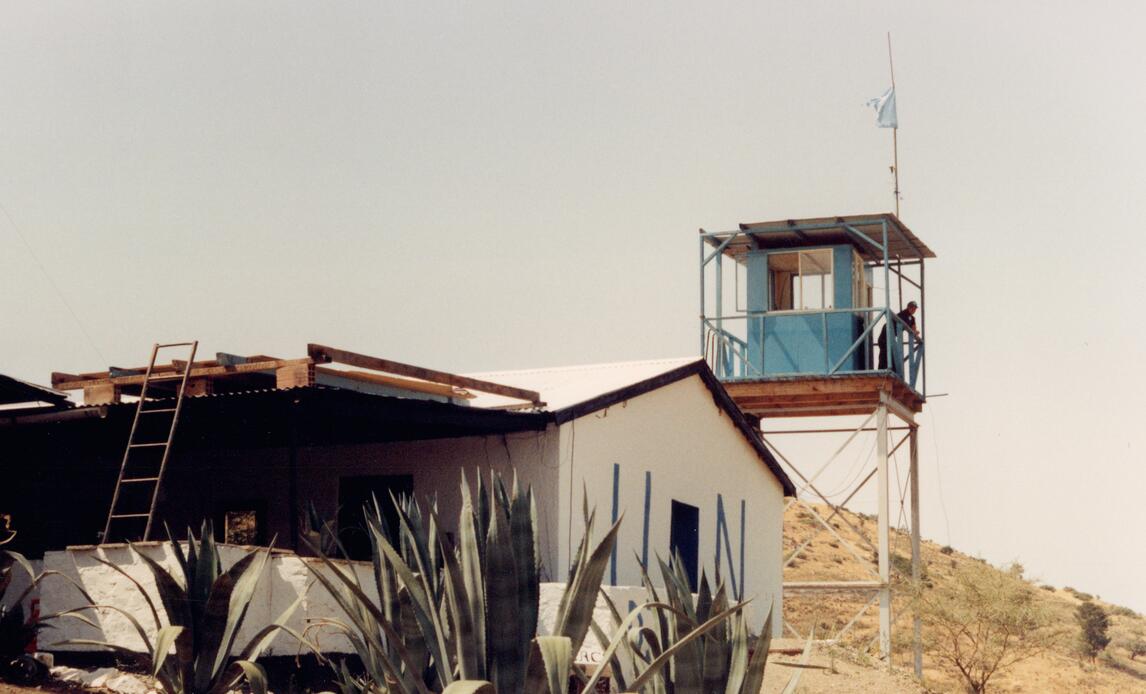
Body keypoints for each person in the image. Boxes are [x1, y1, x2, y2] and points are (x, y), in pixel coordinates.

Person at [876, 301, 921, 370]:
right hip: (886, 332)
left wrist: (916, 333)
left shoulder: (912, 319)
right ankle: (882, 369)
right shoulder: (904, 314)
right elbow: (908, 327)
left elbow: (913, 329)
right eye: (912, 308)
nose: (913, 310)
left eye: (914, 309)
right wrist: (914, 331)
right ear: (908, 307)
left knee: (892, 351)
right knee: (885, 349)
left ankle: (892, 369)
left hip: (892, 335)